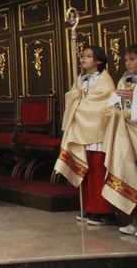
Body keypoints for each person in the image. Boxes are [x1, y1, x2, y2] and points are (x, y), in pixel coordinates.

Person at [54, 45, 116, 225]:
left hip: (97, 131)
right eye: (82, 56)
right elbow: (73, 100)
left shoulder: (105, 81)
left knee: (98, 170)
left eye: (88, 56)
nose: (83, 59)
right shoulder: (80, 79)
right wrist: (76, 98)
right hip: (82, 130)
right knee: (86, 171)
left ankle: (104, 211)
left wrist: (82, 104)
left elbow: (102, 105)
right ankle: (89, 208)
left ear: (98, 61)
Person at [101, 44, 137, 235]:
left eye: (132, 59)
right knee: (131, 173)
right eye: (126, 60)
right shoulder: (124, 80)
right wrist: (114, 105)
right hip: (125, 133)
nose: (128, 63)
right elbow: (114, 103)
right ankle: (136, 219)